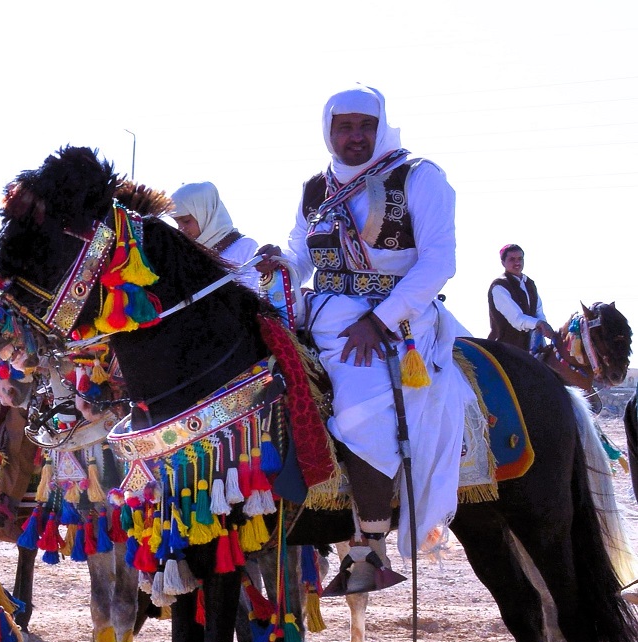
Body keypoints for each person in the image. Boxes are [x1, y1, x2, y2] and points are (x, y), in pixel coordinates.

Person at [258, 84, 475, 594]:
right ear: (328, 129)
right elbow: (301, 254)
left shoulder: (418, 176)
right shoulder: (317, 186)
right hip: (324, 312)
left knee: (358, 407)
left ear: (381, 126)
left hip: (399, 321)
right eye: (344, 126)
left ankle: (369, 547)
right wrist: (281, 263)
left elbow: (439, 262)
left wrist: (379, 322)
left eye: (364, 125)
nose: (354, 136)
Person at [170, 181, 260, 290]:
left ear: (206, 213)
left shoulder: (246, 248)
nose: (181, 229)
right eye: (176, 223)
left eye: (186, 221)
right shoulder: (186, 257)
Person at [488, 244, 556, 352]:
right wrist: (539, 324)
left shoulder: (529, 284)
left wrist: (544, 326)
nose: (517, 263)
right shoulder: (499, 287)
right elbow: (517, 319)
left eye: (520, 259)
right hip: (505, 350)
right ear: (503, 263)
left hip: (531, 348)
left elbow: (539, 312)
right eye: (512, 259)